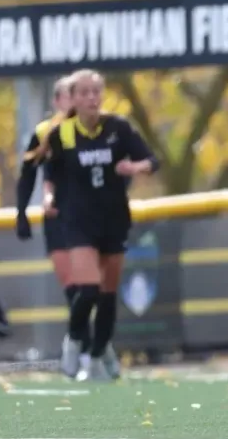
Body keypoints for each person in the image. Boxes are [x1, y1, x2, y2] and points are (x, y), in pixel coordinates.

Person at [42, 69, 160, 382]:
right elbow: (51, 175)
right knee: (89, 288)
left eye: (96, 92)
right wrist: (48, 198)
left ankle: (96, 359)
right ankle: (73, 340)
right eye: (84, 93)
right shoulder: (62, 133)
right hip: (79, 221)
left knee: (108, 295)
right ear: (73, 98)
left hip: (114, 218)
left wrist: (134, 167)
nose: (92, 98)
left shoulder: (118, 128)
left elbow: (152, 161)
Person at [15, 76, 120, 379]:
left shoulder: (103, 130)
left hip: (94, 220)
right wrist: (22, 212)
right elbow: (31, 173)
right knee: (78, 290)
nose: (76, 102)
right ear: (58, 101)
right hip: (61, 220)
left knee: (98, 292)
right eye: (69, 96)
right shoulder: (47, 133)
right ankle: (88, 352)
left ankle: (97, 351)